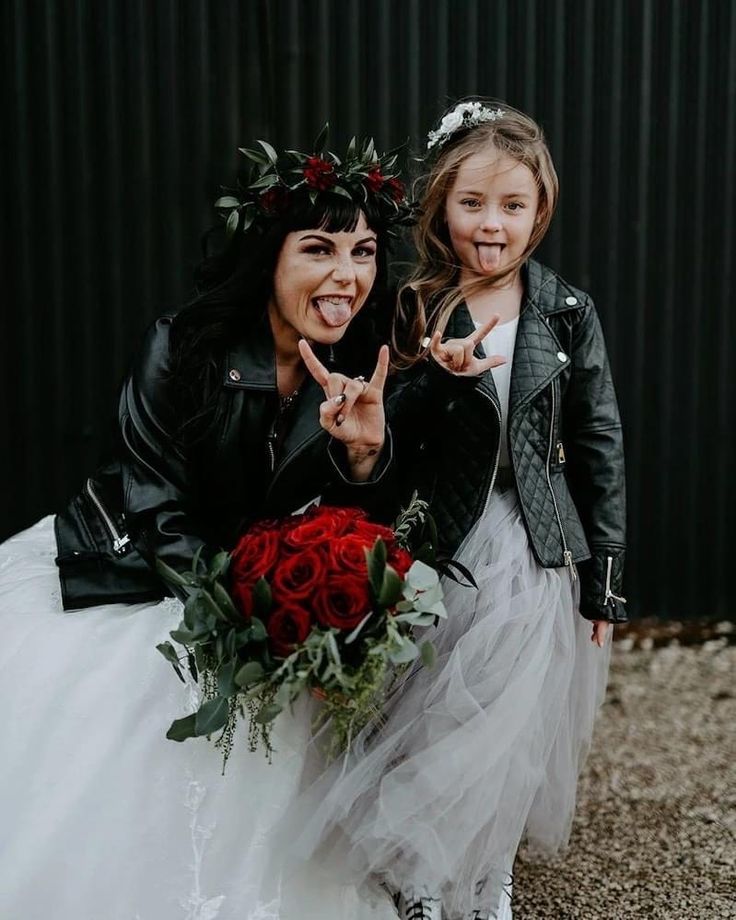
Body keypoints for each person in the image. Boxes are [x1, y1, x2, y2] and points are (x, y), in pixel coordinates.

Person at [0, 134, 415, 920]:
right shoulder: (182, 347)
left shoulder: (367, 358)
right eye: (319, 249)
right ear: (269, 259)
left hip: (257, 585)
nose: (346, 276)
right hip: (147, 570)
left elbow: (359, 523)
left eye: (362, 252)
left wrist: (363, 457)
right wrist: (246, 615)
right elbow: (156, 506)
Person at [278, 101, 627, 920]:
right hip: (438, 538)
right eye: (473, 204)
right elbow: (391, 438)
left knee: (504, 731)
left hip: (533, 546)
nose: (492, 224)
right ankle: (424, 878)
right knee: (430, 717)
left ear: (541, 209)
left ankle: (487, 872)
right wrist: (439, 380)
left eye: (513, 206)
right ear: (441, 206)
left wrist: (603, 578)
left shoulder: (566, 311)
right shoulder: (412, 305)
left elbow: (598, 439)